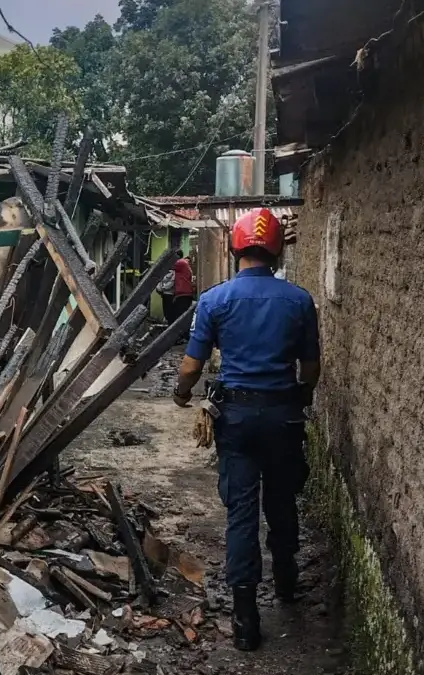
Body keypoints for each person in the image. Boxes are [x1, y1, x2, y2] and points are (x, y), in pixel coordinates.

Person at [169, 208, 321, 652]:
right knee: (281, 498)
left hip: (235, 421)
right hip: (283, 417)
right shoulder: (299, 300)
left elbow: (192, 365)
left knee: (240, 513)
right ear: (276, 248)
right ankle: (287, 581)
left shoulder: (215, 300)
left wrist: (181, 393)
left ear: (236, 247)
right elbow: (311, 368)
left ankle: (245, 618)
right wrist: (300, 394)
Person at [166, 250, 195, 325]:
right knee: (180, 315)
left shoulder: (180, 263)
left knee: (180, 316)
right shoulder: (184, 264)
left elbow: (167, 266)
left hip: (183, 293)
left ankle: (182, 334)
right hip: (184, 293)